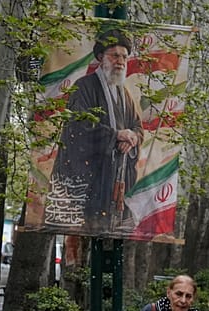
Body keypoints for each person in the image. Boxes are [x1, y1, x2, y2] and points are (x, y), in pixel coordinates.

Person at [47, 28, 144, 233]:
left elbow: (136, 126)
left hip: (114, 180)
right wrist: (116, 135)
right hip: (88, 181)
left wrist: (132, 137)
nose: (120, 61)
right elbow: (77, 125)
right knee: (82, 237)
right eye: (115, 55)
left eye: (124, 57)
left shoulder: (125, 95)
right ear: (101, 57)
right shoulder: (84, 86)